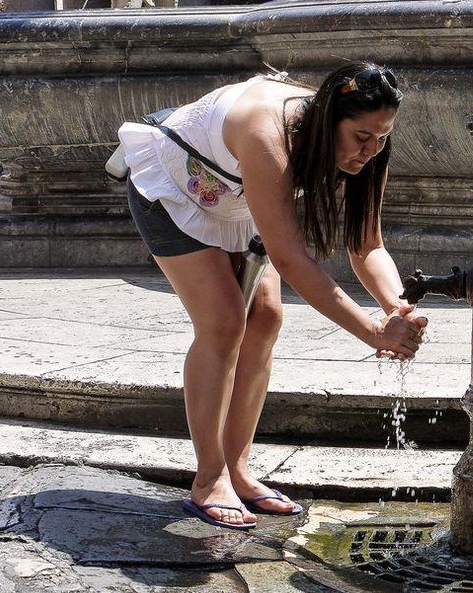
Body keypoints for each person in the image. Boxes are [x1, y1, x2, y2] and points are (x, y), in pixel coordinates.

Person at [118, 62, 427, 529]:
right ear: (328, 119)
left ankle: (239, 471)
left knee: (266, 318)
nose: (372, 149)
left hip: (240, 199)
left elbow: (368, 245)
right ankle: (209, 478)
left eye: (382, 137)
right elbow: (291, 258)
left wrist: (396, 309)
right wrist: (371, 332)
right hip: (175, 187)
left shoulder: (370, 143)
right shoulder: (267, 131)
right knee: (223, 321)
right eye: (363, 136)